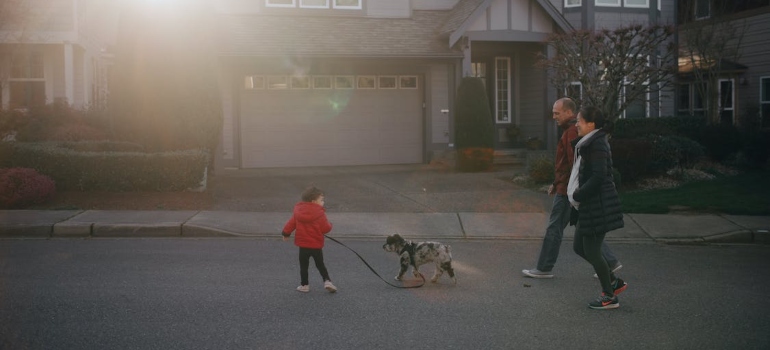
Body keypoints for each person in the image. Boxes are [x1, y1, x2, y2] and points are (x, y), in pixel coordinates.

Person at [523, 98, 621, 279]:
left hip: (569, 191)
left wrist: (568, 187)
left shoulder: (571, 132)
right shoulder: (572, 130)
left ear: (569, 112)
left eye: (557, 113)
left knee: (555, 228)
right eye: (553, 113)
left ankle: (544, 268)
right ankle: (611, 262)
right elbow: (568, 164)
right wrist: (556, 182)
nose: (553, 117)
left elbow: (575, 164)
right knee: (585, 228)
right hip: (568, 187)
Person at [568, 105, 627, 310]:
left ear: (591, 124)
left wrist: (579, 193)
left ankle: (609, 296)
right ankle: (613, 281)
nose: (576, 124)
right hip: (589, 206)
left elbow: (599, 176)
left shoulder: (598, 144)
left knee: (592, 251)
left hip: (597, 205)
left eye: (579, 121)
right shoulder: (590, 142)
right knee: (578, 246)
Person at [282, 186, 337, 293]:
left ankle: (304, 285)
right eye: (321, 200)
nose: (323, 202)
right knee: (320, 265)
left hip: (303, 245)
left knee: (304, 266)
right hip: (316, 245)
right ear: (313, 201)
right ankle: (327, 281)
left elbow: (291, 224)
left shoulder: (298, 212)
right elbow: (326, 229)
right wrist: (330, 225)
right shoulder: (320, 213)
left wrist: (286, 233)